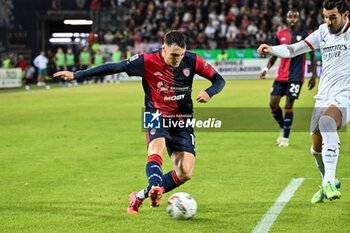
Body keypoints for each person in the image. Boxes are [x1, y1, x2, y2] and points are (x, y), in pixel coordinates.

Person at [54, 30, 225, 214]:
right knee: (156, 150)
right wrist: (77, 75)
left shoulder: (192, 60)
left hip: (182, 118)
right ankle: (156, 187)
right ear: (164, 49)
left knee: (186, 172)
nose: (177, 60)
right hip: (155, 114)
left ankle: (140, 196)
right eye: (174, 55)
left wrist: (209, 92)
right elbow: (114, 67)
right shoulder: (146, 61)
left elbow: (218, 80)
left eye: (180, 55)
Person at [257, 0, 349, 203]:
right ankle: (326, 181)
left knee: (327, 123)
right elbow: (292, 50)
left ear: (345, 15)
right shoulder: (322, 32)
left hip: (345, 94)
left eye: (333, 17)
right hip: (323, 96)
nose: (328, 21)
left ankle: (329, 182)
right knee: (315, 149)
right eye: (325, 16)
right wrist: (271, 49)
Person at [260, 9, 317, 147]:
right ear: (286, 18)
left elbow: (313, 56)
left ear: (298, 18)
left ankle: (285, 138)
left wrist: (313, 75)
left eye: (295, 16)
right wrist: (266, 69)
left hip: (296, 76)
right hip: (281, 76)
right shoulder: (280, 34)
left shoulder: (305, 34)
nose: (292, 19)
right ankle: (283, 127)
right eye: (290, 16)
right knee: (273, 103)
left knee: (288, 105)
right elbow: (274, 54)